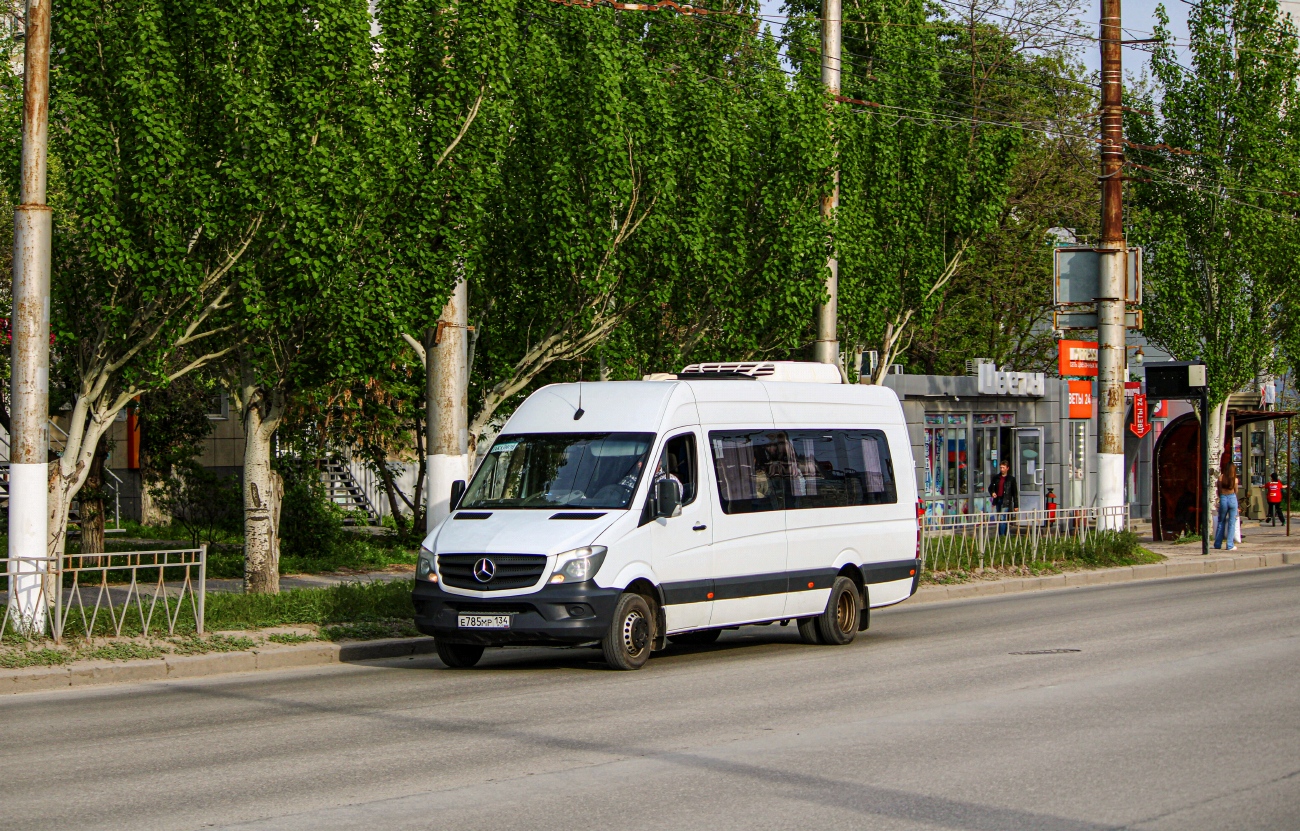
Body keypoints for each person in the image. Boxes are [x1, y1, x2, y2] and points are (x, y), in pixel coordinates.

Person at [988, 460, 1019, 536]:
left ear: (1007, 468)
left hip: (1006, 500)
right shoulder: (996, 478)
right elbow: (991, 487)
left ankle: (1002, 536)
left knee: (1002, 517)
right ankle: (1003, 534)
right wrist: (993, 493)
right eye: (1001, 467)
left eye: (1003, 468)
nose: (1002, 469)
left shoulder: (1011, 479)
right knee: (1000, 518)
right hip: (998, 499)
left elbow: (1015, 492)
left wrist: (1016, 505)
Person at [1214, 464, 1239, 551]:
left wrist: (1220, 498)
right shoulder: (1235, 479)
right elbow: (1236, 491)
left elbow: (1219, 490)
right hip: (1232, 498)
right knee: (1232, 523)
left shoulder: (1221, 477)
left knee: (1221, 521)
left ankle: (1217, 544)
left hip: (1223, 498)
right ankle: (1229, 545)